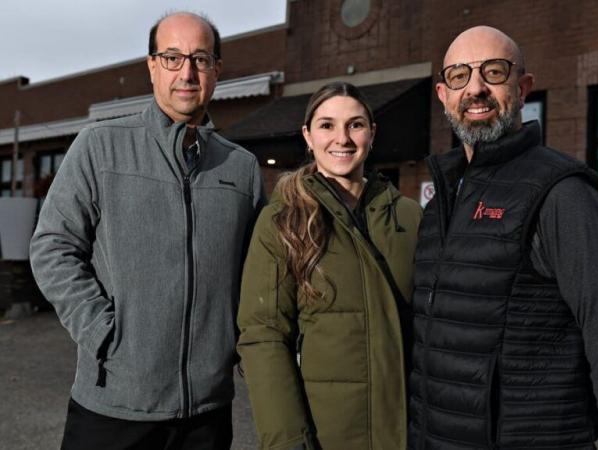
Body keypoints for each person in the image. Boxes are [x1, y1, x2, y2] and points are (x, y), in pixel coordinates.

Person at [29, 11, 264, 450]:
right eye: (172, 57)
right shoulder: (100, 147)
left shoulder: (242, 169)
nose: (187, 72)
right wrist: (104, 334)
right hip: (112, 410)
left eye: (200, 58)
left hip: (206, 415)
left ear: (217, 69)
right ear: (152, 66)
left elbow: (257, 277)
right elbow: (52, 248)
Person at [408, 26, 598, 449]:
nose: (476, 88)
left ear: (524, 86)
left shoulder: (563, 193)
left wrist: (568, 428)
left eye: (494, 72)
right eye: (460, 76)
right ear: (444, 95)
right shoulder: (443, 199)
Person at [237, 81, 422, 449]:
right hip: (325, 435)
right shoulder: (282, 221)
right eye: (327, 125)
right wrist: (289, 441)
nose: (343, 138)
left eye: (355, 124)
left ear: (373, 133)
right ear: (308, 136)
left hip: (406, 432)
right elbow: (264, 337)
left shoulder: (410, 217)